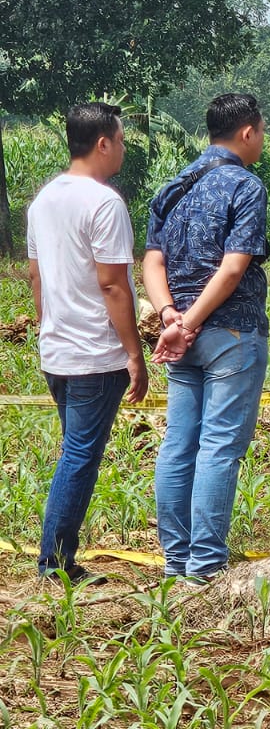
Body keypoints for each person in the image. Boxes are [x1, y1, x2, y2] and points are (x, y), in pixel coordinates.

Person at [144, 93, 270, 583]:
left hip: (181, 336)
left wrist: (170, 317)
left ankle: (177, 563)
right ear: (247, 132)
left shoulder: (173, 187)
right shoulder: (246, 186)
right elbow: (233, 267)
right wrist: (190, 322)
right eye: (262, 131)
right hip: (231, 334)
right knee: (219, 447)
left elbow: (151, 261)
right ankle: (205, 567)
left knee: (178, 446)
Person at [25, 103, 149, 584]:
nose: (122, 149)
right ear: (102, 143)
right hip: (95, 356)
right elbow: (113, 285)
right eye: (121, 141)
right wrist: (134, 354)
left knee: (74, 452)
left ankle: (57, 560)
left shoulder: (43, 201)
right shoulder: (104, 203)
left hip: (57, 352)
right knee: (79, 457)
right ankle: (54, 564)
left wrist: (49, 329)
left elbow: (36, 276)